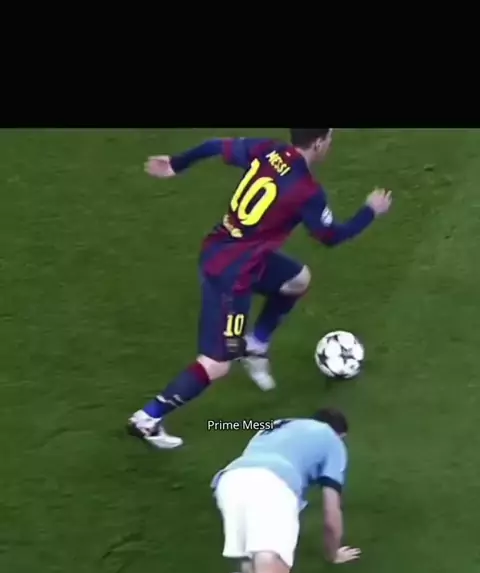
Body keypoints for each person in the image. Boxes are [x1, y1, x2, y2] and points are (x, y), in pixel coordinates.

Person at [128, 130, 392, 449]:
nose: (331, 144)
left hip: (227, 250)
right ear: (319, 142)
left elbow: (215, 144)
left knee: (298, 280)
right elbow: (331, 237)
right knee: (217, 363)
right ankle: (148, 418)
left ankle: (256, 344)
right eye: (330, 138)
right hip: (233, 276)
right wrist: (369, 212)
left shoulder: (269, 150)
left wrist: (176, 164)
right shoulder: (307, 191)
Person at [181, 409, 360, 573]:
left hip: (230, 482)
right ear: (340, 434)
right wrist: (333, 553)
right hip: (272, 488)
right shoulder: (332, 441)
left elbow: (235, 428)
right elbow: (331, 512)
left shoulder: (275, 424)